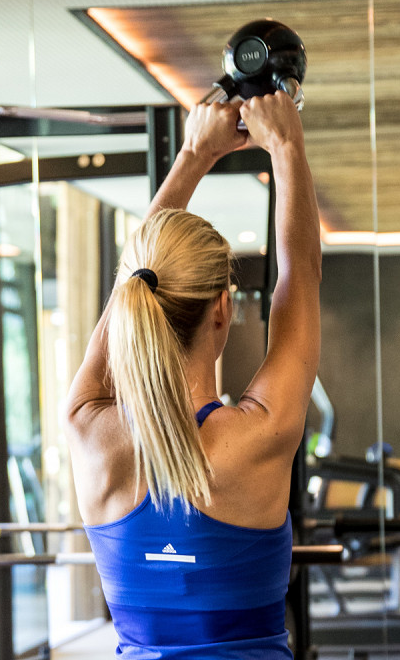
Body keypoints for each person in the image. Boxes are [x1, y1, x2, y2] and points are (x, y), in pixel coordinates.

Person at [64, 92, 320, 659]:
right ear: (223, 310)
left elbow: (136, 284)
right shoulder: (259, 435)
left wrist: (194, 154)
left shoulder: (88, 430)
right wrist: (284, 143)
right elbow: (299, 275)